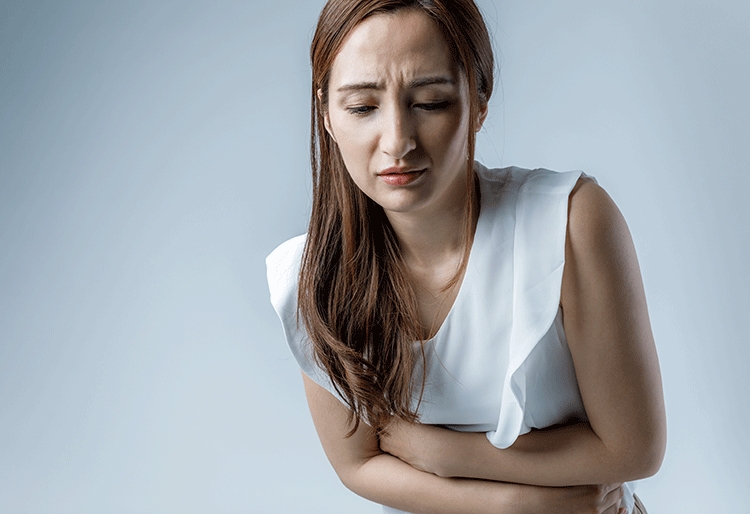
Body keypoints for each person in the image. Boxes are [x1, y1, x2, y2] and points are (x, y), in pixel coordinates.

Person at [266, 0, 666, 512]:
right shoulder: (311, 277)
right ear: (325, 113)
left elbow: (634, 449)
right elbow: (358, 465)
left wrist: (446, 452)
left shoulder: (569, 222)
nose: (397, 142)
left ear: (479, 99)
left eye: (430, 102)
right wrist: (517, 507)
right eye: (363, 107)